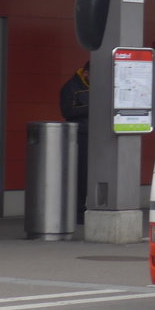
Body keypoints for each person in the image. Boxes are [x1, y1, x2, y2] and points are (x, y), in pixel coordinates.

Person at [59, 62, 90, 224]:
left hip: (96, 135)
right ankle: (77, 210)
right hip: (80, 135)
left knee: (89, 174)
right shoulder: (71, 87)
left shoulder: (97, 86)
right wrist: (91, 108)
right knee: (80, 173)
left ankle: (84, 207)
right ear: (85, 73)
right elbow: (67, 111)